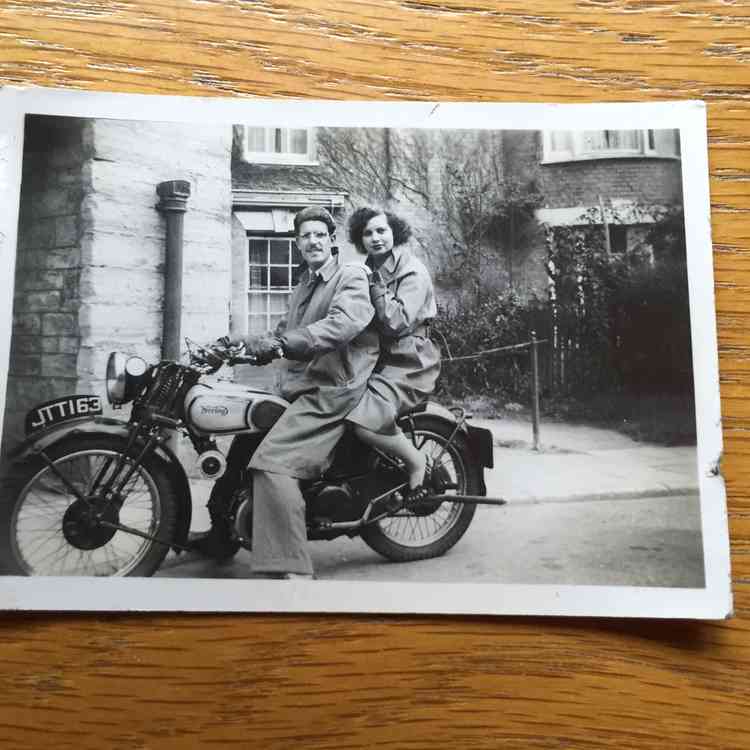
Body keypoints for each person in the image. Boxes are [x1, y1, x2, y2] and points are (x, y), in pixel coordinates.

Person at [242, 206, 379, 579]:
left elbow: (343, 323)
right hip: (304, 383)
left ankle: (291, 566)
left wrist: (285, 344)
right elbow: (284, 329)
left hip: (334, 387)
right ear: (297, 243)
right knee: (243, 439)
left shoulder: (350, 275)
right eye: (306, 235)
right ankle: (223, 534)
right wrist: (240, 345)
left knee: (272, 463)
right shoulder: (304, 283)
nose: (313, 241)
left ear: (331, 240)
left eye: (320, 234)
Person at [345, 207, 441, 498]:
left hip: (410, 360)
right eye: (368, 233)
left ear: (394, 233)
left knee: (364, 423)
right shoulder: (369, 267)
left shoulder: (412, 270)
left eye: (381, 231)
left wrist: (372, 284)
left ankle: (416, 463)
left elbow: (396, 322)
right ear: (360, 239)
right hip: (376, 355)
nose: (375, 238)